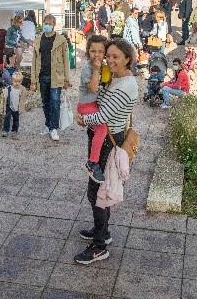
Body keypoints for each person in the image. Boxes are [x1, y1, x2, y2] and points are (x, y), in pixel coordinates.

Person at [74, 39, 138, 265]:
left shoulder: (126, 85)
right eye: (108, 56)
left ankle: (99, 245)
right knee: (101, 189)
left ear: (127, 59)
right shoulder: (117, 78)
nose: (109, 60)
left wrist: (83, 118)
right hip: (105, 138)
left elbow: (103, 116)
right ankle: (103, 231)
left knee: (98, 193)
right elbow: (99, 98)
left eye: (115, 57)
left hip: (109, 142)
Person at [30, 14, 71, 141]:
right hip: (42, 75)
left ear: (54, 24)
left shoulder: (61, 40)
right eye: (45, 23)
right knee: (45, 102)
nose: (47, 25)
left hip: (56, 76)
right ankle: (48, 125)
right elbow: (34, 60)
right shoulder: (38, 40)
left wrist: (67, 79)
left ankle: (54, 128)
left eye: (50, 23)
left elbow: (66, 60)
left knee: (55, 102)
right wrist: (33, 80)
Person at [77, 35, 110, 183]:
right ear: (88, 52)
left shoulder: (104, 67)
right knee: (101, 129)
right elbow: (93, 87)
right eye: (92, 51)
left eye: (100, 51)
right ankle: (92, 162)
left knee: (100, 129)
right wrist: (96, 70)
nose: (96, 55)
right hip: (86, 106)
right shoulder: (87, 68)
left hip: (94, 105)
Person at [1, 71, 26, 139]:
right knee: (7, 118)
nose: (16, 83)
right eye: (15, 81)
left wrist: (33, 90)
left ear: (21, 82)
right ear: (12, 81)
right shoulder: (8, 88)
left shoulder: (22, 89)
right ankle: (5, 130)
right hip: (9, 106)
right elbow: (3, 99)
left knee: (16, 119)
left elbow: (25, 96)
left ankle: (14, 129)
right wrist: (2, 108)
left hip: (16, 107)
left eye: (18, 82)